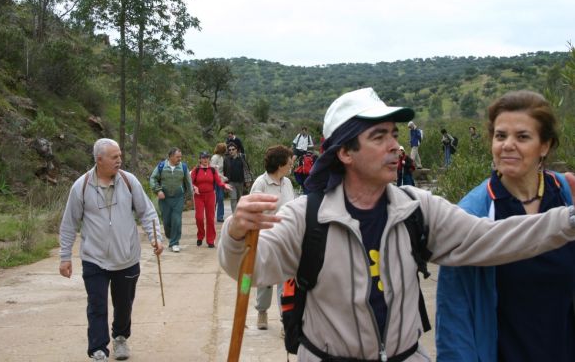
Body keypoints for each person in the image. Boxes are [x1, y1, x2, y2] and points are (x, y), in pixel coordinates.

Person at [217, 87, 575, 361]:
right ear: (345, 152)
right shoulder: (306, 218)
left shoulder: (417, 209)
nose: (396, 147)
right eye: (380, 137)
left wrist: (569, 219)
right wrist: (235, 234)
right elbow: (251, 269)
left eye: (394, 134)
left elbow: (493, 238)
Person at [436, 90, 575, 362]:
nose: (507, 145)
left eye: (522, 137)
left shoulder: (564, 194)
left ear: (544, 146)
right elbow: (454, 314)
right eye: (501, 136)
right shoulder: (474, 212)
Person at [59, 138, 164, 362]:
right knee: (96, 304)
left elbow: (147, 212)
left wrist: (156, 237)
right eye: (114, 157)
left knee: (124, 304)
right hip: (94, 258)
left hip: (126, 257)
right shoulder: (82, 186)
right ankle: (98, 348)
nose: (119, 160)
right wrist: (64, 257)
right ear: (99, 160)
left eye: (120, 156)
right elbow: (69, 224)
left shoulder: (129, 181)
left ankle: (120, 337)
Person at [251, 145, 295, 330]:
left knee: (286, 282)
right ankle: (262, 311)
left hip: (286, 239)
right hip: (266, 239)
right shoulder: (261, 184)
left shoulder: (288, 183)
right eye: (289, 161)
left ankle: (286, 319)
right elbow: (253, 211)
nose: (292, 164)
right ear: (280, 163)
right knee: (267, 280)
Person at [149, 147, 193, 252]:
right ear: (170, 157)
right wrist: (158, 190)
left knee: (176, 220)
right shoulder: (161, 166)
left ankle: (174, 243)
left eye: (180, 157)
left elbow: (188, 182)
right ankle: (171, 236)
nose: (179, 159)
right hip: (165, 198)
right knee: (167, 221)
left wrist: (189, 197)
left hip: (178, 197)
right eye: (177, 157)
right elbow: (153, 179)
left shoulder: (183, 167)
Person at [191, 151, 232, 248]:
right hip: (199, 196)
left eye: (207, 158)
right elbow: (190, 183)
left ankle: (210, 240)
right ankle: (200, 236)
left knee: (210, 218)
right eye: (203, 158)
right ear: (200, 159)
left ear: (209, 159)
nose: (205, 160)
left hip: (210, 196)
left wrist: (224, 185)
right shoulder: (195, 170)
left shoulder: (212, 170)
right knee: (199, 218)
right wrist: (194, 187)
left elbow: (218, 181)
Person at [223, 143, 251, 213]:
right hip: (231, 182)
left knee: (239, 199)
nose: (231, 151)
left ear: (236, 150)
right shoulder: (226, 160)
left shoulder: (242, 158)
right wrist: (225, 184)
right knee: (233, 199)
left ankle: (239, 214)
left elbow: (246, 170)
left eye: (233, 149)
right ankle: (234, 215)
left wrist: (248, 181)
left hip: (240, 182)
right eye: (229, 150)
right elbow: (224, 172)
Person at [210, 143, 228, 223]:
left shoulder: (221, 158)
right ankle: (210, 216)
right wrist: (222, 177)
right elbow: (213, 169)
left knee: (220, 198)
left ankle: (220, 217)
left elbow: (221, 170)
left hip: (220, 180)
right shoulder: (215, 157)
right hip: (214, 180)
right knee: (214, 199)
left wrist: (223, 178)